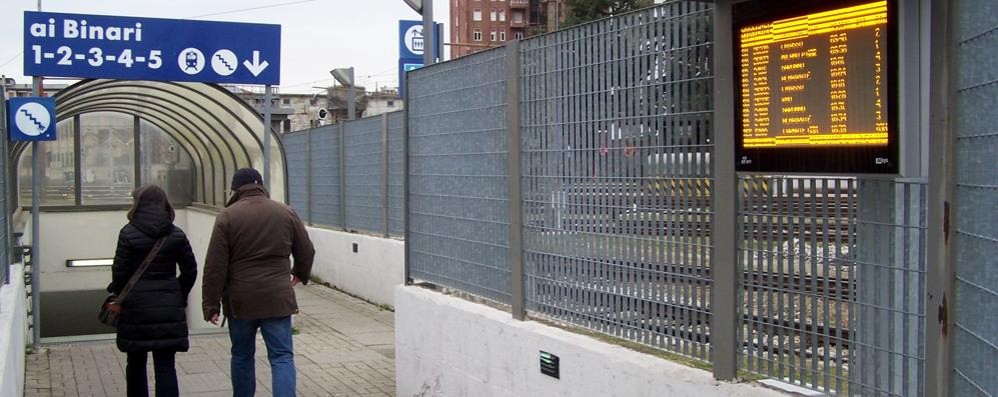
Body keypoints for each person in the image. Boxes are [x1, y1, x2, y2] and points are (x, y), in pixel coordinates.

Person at [202, 168, 315, 397]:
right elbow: (307, 250)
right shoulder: (285, 212)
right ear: (261, 186)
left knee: (242, 355)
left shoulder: (227, 216)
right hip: (277, 297)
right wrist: (300, 273)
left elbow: (215, 266)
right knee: (282, 356)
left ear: (236, 189)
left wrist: (210, 304)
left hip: (240, 300)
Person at [108, 185, 198, 397]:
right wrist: (178, 294)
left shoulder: (128, 233)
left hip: (135, 309)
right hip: (168, 306)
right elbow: (190, 270)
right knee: (166, 365)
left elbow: (119, 272)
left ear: (138, 205)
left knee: (136, 363)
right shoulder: (176, 235)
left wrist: (122, 295)